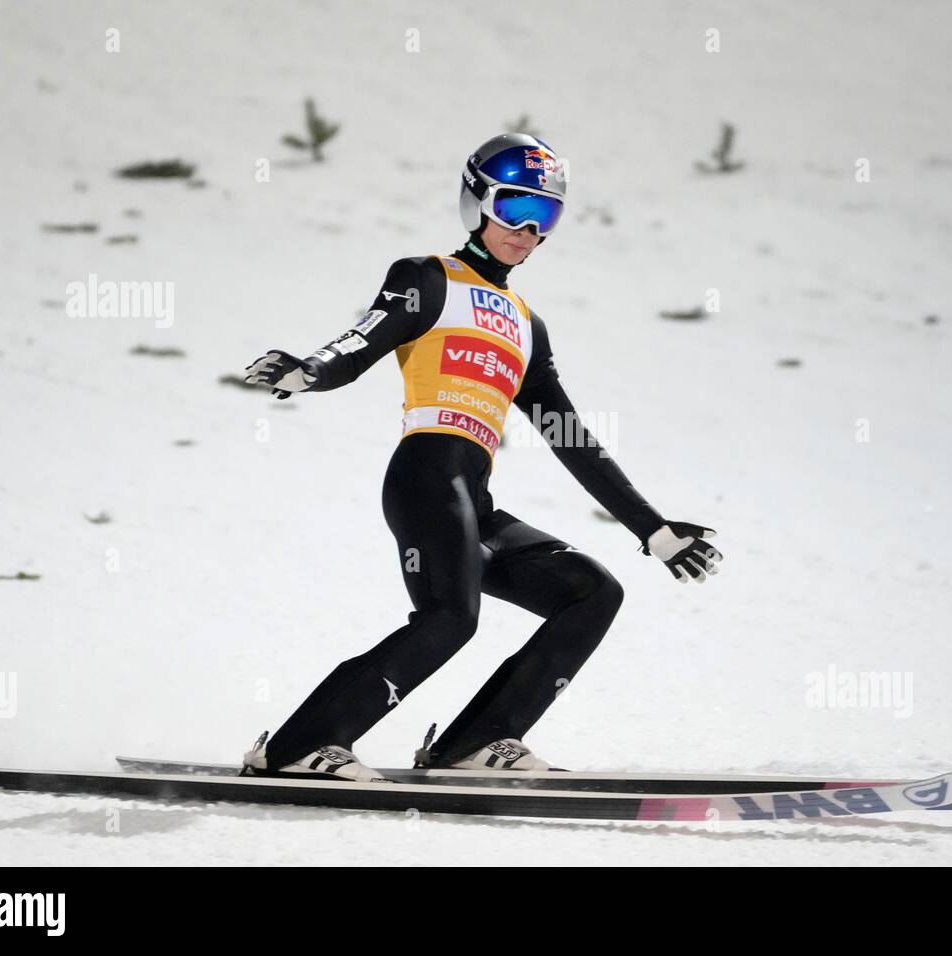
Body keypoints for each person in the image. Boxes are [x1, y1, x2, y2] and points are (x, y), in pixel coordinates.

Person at [242, 133, 724, 781]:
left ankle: (476, 744)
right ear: (477, 202)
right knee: (449, 619)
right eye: (514, 206)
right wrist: (308, 370)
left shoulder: (527, 324)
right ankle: (297, 747)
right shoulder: (427, 279)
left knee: (591, 592)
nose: (527, 229)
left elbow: (568, 433)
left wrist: (654, 530)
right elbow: (356, 346)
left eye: (545, 215)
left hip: (475, 499)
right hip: (424, 477)